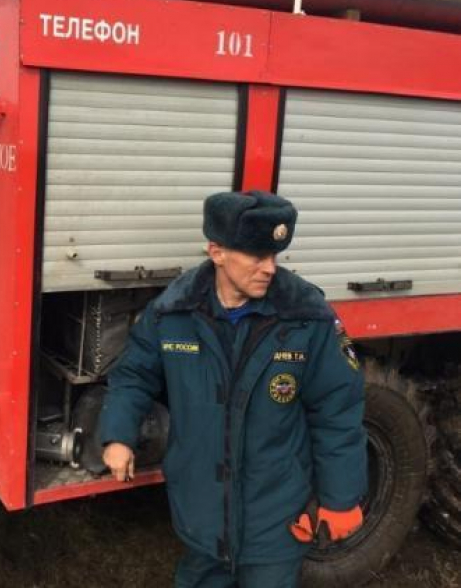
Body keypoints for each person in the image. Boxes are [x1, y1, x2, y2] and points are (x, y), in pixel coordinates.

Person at [99, 190, 367, 588]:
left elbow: (337, 410)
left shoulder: (306, 317)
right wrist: (118, 435)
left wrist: (341, 498)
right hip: (200, 511)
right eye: (257, 256)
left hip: (275, 517)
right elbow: (133, 375)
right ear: (217, 251)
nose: (269, 269)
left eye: (274, 256)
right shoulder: (173, 314)